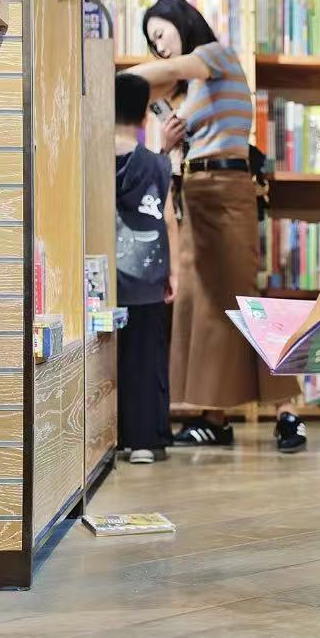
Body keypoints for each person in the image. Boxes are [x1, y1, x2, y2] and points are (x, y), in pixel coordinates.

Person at [127, 0, 305, 453]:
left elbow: (164, 71)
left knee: (243, 299)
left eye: (160, 34)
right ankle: (213, 416)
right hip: (195, 191)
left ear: (182, 24)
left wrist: (121, 80)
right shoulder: (189, 89)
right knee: (202, 306)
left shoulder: (216, 56)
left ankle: (288, 413)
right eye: (151, 41)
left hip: (226, 187)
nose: (158, 47)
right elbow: (168, 134)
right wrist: (168, 144)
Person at [113, 72, 178, 464]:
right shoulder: (156, 164)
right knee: (145, 357)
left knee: (103, 358)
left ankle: (107, 436)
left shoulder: (90, 156)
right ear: (142, 117)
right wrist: (174, 272)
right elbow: (168, 219)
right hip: (147, 276)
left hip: (99, 278)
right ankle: (142, 441)